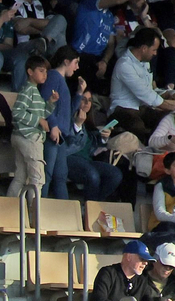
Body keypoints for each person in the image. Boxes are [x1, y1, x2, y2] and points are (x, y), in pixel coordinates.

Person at [71, 0, 161, 93]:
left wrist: (104, 61)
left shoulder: (109, 15)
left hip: (98, 59)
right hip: (79, 55)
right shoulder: (90, 0)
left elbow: (111, 44)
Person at [110, 26, 175, 140]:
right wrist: (173, 107)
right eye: (154, 50)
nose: (155, 53)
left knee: (167, 119)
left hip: (141, 107)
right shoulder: (124, 65)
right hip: (122, 108)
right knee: (138, 126)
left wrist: (169, 94)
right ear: (144, 48)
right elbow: (145, 94)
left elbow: (149, 90)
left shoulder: (145, 62)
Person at [9, 54, 54, 218]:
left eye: (46, 71)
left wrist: (50, 103)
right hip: (29, 138)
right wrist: (38, 120)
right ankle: (35, 217)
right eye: (41, 71)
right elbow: (17, 112)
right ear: (30, 71)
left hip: (22, 136)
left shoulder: (33, 91)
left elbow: (41, 113)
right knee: (37, 178)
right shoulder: (28, 90)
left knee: (20, 177)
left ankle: (8, 210)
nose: (44, 74)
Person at [62, 89, 126, 200]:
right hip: (69, 158)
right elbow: (70, 142)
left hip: (86, 160)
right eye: (83, 99)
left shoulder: (89, 121)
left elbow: (92, 145)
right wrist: (77, 125)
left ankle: (94, 204)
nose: (87, 103)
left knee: (115, 174)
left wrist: (104, 138)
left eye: (90, 100)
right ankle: (90, 205)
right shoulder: (67, 118)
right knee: (93, 175)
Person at [40, 47, 80, 199]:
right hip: (53, 132)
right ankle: (39, 208)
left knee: (61, 175)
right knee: (47, 174)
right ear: (66, 61)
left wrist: (79, 94)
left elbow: (67, 111)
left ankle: (63, 210)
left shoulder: (61, 81)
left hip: (61, 135)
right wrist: (53, 125)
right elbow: (45, 102)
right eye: (75, 63)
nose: (77, 67)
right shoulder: (53, 77)